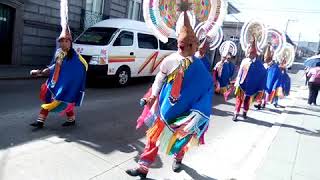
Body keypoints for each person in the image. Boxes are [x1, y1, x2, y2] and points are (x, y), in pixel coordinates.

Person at [126, 11, 213, 179]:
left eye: (188, 44)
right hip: (165, 106)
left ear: (194, 46)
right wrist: (153, 95)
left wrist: (198, 111)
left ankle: (178, 157)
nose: (183, 46)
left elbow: (206, 87)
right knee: (153, 136)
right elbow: (159, 78)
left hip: (184, 112)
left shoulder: (199, 66)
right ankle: (143, 167)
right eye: (181, 43)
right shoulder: (169, 60)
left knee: (180, 137)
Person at [29, 25, 88, 128]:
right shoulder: (59, 53)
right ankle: (40, 121)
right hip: (55, 81)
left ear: (70, 43)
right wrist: (43, 71)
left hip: (65, 84)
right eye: (61, 41)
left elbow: (81, 68)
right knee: (50, 99)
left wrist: (69, 82)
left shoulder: (75, 56)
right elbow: (55, 65)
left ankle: (69, 119)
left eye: (66, 41)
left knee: (64, 100)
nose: (63, 43)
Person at [233, 37, 267, 121]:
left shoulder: (259, 64)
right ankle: (236, 114)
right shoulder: (245, 61)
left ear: (255, 54)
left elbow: (263, 74)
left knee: (247, 100)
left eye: (251, 53)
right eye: (249, 53)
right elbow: (240, 72)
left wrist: (260, 87)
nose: (249, 55)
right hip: (242, 84)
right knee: (238, 99)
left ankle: (244, 112)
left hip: (251, 86)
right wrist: (237, 82)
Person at [254, 44, 282, 109]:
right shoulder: (264, 64)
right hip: (262, 82)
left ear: (269, 58)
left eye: (266, 58)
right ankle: (259, 103)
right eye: (264, 58)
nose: (264, 59)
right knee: (261, 93)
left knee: (266, 93)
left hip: (269, 82)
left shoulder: (274, 66)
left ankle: (263, 103)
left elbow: (275, 75)